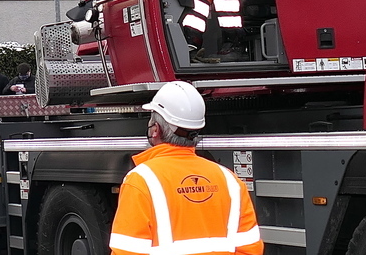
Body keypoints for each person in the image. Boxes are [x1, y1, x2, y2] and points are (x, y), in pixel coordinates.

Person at [109, 81, 263, 255]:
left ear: (155, 130)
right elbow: (250, 249)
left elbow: (127, 252)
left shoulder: (141, 181)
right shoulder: (230, 181)